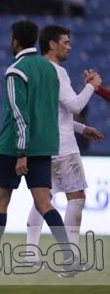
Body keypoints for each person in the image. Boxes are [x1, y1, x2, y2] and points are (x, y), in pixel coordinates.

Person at [0, 20, 77, 278]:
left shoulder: (16, 70)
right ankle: (69, 257)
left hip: (15, 147)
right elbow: (53, 111)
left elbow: (19, 114)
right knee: (44, 202)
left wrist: (21, 152)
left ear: (15, 41)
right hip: (44, 146)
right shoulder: (50, 69)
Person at [25, 25, 103, 265]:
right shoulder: (58, 72)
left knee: (42, 198)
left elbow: (52, 113)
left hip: (43, 145)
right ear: (52, 44)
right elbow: (75, 106)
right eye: (65, 42)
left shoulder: (36, 70)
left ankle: (30, 253)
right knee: (76, 197)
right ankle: (71, 254)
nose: (69, 47)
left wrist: (81, 128)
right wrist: (93, 86)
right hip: (64, 147)